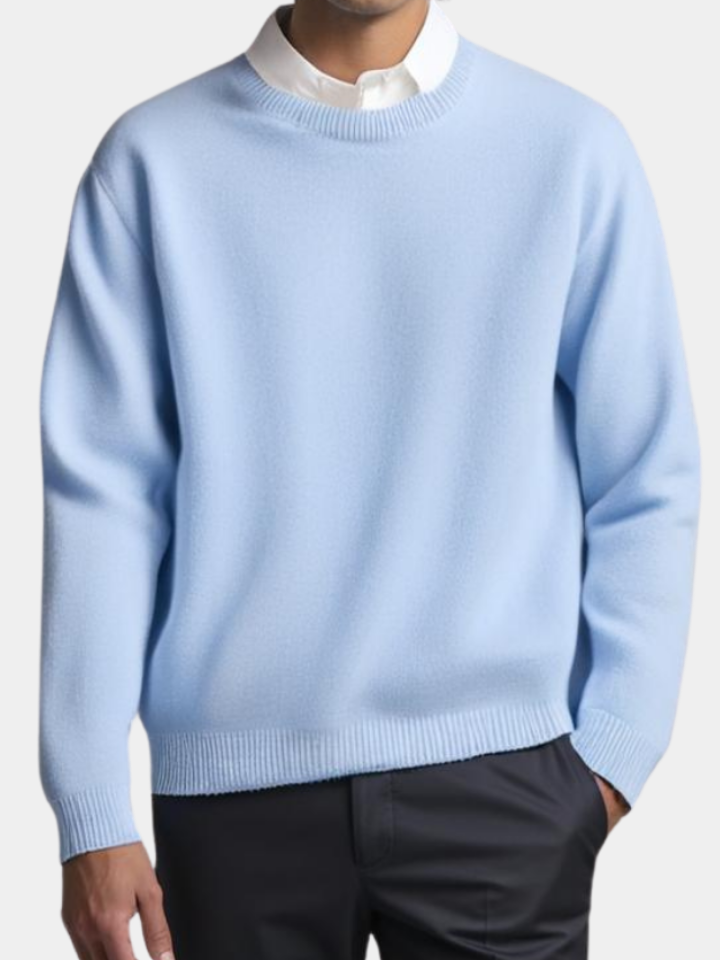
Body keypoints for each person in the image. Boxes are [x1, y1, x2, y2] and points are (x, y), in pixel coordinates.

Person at [38, 1, 701, 958]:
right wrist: (90, 806)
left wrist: (613, 757)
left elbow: (645, 471)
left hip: (503, 788)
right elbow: (103, 500)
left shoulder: (571, 150)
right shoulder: (152, 164)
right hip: (232, 801)